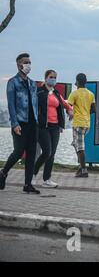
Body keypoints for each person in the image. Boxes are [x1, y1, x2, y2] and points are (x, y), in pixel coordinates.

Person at [0, 53, 40, 194]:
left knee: (31, 153)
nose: (28, 65)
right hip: (20, 123)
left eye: (29, 62)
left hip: (32, 123)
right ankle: (3, 173)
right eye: (25, 62)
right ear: (19, 65)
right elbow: (11, 105)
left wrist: (37, 121)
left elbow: (35, 104)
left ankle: (27, 184)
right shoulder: (13, 82)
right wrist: (14, 124)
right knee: (18, 151)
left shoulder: (32, 83)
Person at [33, 70, 73, 188]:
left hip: (55, 126)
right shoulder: (39, 91)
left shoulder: (55, 93)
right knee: (46, 152)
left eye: (55, 77)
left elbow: (64, 104)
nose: (53, 79)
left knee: (52, 153)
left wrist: (70, 110)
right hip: (42, 126)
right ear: (45, 78)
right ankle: (32, 174)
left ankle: (47, 179)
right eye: (51, 77)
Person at [67, 73, 96, 178]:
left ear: (77, 82)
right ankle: (81, 166)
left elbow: (68, 106)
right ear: (86, 82)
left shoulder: (74, 94)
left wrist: (72, 113)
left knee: (80, 147)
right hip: (87, 123)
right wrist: (85, 112)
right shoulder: (91, 94)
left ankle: (83, 170)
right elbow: (93, 109)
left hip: (78, 123)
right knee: (76, 144)